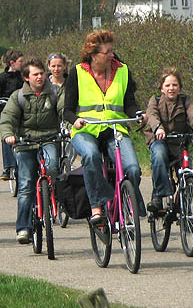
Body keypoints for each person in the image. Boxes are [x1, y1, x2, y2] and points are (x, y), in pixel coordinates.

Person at [63, 30, 147, 226]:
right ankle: (97, 206)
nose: (111, 55)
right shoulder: (77, 73)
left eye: (112, 50)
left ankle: (130, 201)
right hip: (86, 130)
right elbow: (67, 110)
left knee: (133, 169)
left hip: (114, 128)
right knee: (91, 156)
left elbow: (129, 103)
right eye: (106, 52)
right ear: (94, 55)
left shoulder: (123, 71)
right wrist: (75, 120)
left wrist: (137, 115)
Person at [0, 57, 61, 244]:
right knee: (26, 185)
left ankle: (50, 200)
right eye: (35, 74)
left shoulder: (54, 93)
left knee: (52, 167)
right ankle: (23, 227)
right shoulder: (18, 96)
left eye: (42, 73)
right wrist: (8, 134)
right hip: (25, 142)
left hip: (49, 138)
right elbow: (7, 118)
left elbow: (65, 110)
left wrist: (70, 126)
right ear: (27, 77)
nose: (40, 77)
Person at [144, 68, 193, 212]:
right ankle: (158, 196)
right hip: (160, 140)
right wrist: (158, 128)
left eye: (174, 85)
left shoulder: (186, 101)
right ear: (162, 88)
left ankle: (185, 207)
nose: (171, 88)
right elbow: (152, 115)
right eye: (167, 85)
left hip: (180, 142)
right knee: (159, 156)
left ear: (179, 87)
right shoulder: (154, 100)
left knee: (188, 170)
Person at [0, 49, 24, 180]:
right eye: (21, 61)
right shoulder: (1, 78)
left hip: (21, 108)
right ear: (12, 62)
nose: (23, 63)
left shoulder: (23, 77)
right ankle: (8, 167)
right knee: (6, 135)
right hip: (5, 109)